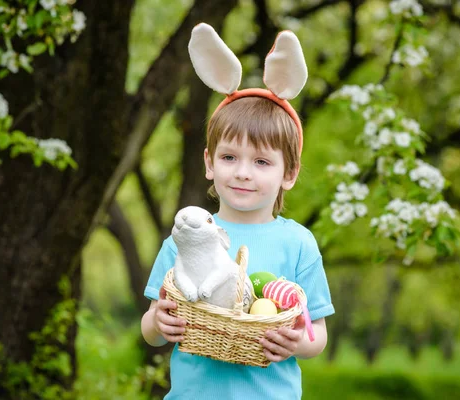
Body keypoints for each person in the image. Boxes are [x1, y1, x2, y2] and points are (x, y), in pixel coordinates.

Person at [140, 23, 334, 399]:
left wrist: (294, 343)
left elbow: (317, 336)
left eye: (262, 162)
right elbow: (150, 327)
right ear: (210, 163)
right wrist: (159, 323)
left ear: (289, 173)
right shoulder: (186, 238)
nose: (243, 172)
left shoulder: (298, 243)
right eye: (230, 157)